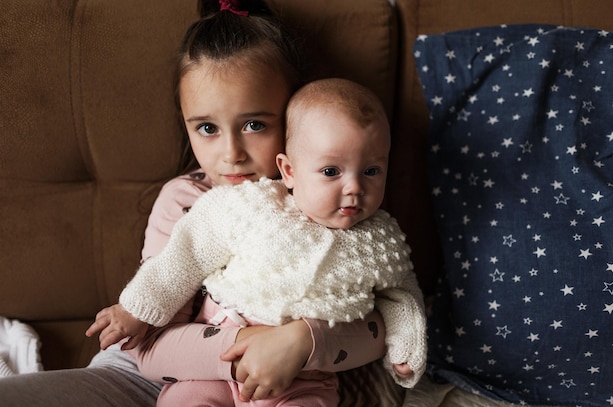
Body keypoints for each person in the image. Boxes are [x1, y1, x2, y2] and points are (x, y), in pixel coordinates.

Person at [0, 1, 390, 406]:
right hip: (137, 377)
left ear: (294, 116)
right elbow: (149, 348)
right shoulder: (186, 199)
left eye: (255, 124)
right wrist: (251, 343)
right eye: (207, 128)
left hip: (284, 383)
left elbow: (381, 329)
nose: (231, 153)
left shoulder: (334, 200)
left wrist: (303, 341)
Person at [87, 78, 427, 406]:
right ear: (290, 170)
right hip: (213, 363)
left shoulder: (381, 239)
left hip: (304, 379)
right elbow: (186, 254)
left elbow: (402, 295)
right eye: (331, 172)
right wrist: (138, 306)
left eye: (371, 171)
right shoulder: (255, 204)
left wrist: (405, 346)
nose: (354, 188)